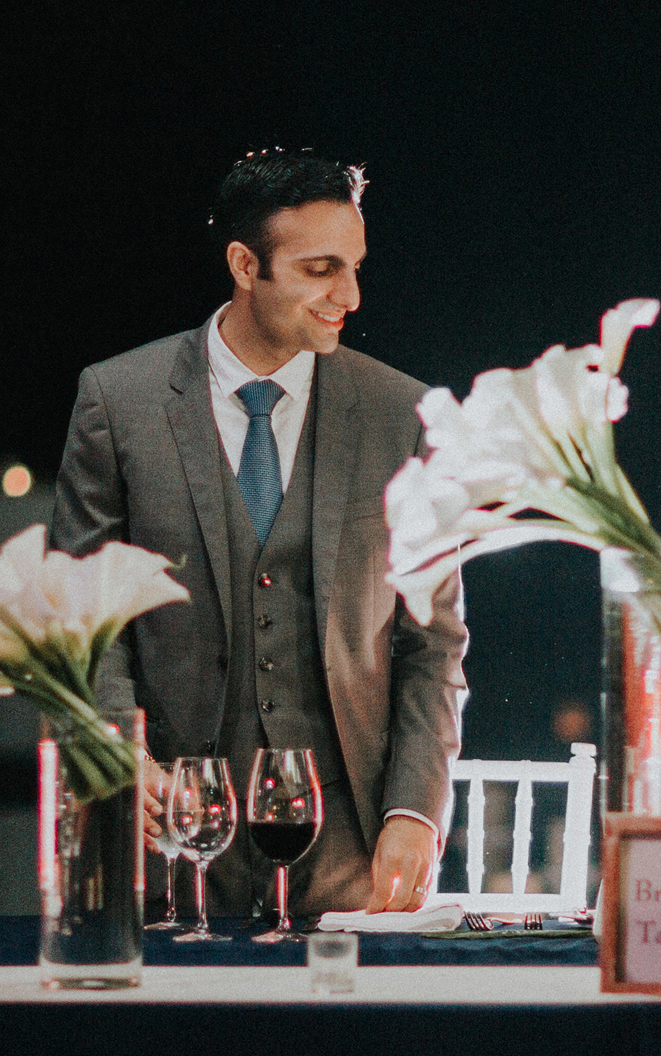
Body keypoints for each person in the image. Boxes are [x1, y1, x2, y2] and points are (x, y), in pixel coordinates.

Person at [51, 149, 467, 917]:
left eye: (355, 267)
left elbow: (432, 643)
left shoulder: (403, 418)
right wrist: (119, 754)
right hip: (169, 849)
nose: (350, 295)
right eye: (321, 269)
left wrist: (415, 809)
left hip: (351, 863)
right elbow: (81, 617)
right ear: (245, 264)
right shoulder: (118, 401)